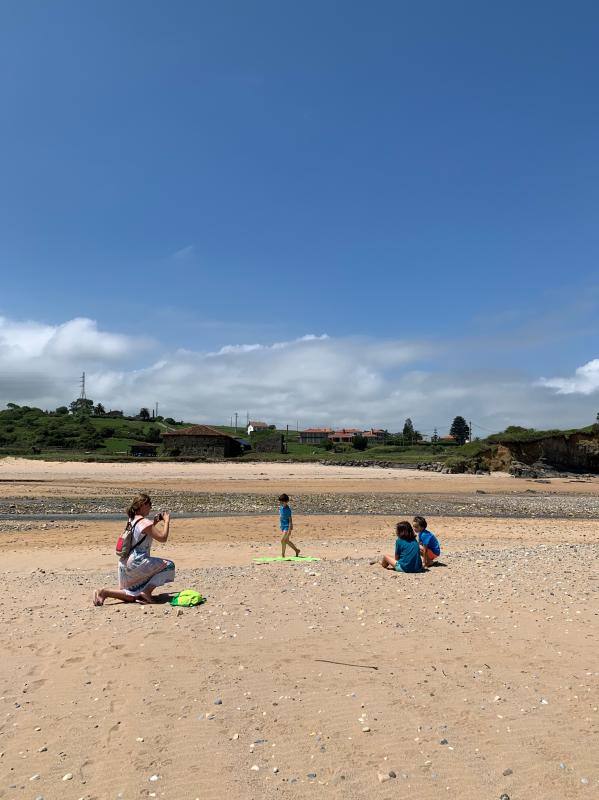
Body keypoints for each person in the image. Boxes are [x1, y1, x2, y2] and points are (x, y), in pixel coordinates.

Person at [93, 493, 175, 605]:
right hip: (137, 562)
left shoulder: (131, 520)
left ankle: (104, 592)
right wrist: (166, 521)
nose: (151, 507)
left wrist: (154, 523)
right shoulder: (144, 522)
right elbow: (163, 538)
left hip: (124, 562)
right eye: (149, 504)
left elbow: (142, 534)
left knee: (132, 596)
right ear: (142, 505)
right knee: (169, 566)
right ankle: (146, 592)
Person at [278, 493, 300, 558]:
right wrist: (280, 524)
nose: (281, 503)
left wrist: (289, 530)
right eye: (280, 502)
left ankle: (283, 554)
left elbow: (290, 520)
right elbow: (281, 516)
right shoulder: (281, 508)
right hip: (283, 526)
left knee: (282, 540)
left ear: (287, 502)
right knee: (286, 541)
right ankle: (297, 550)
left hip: (287, 526)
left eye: (282, 502)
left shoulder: (288, 510)